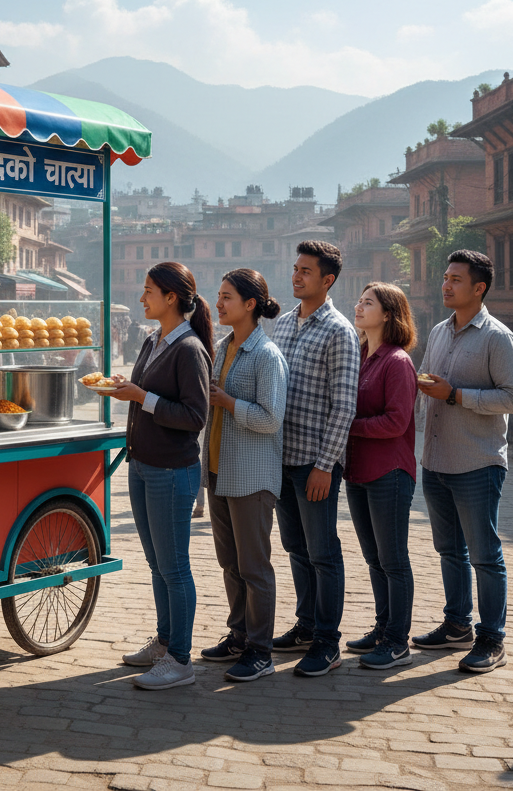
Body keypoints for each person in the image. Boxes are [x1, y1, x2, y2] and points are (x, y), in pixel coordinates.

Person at [412, 249, 513, 673]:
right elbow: (429, 378)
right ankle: (456, 624)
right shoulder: (440, 331)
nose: (445, 284)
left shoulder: (498, 337)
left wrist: (456, 395)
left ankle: (491, 638)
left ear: (479, 288)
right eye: (445, 277)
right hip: (436, 459)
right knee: (448, 550)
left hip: (477, 462)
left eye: (456, 280)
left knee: (484, 554)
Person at [111, 261, 212, 690]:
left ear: (172, 297)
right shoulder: (154, 340)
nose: (142, 298)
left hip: (172, 471)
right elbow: (147, 395)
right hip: (144, 465)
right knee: (156, 564)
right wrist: (128, 389)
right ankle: (165, 641)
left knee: (174, 568)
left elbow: (195, 415)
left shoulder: (189, 349)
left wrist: (142, 397)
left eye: (149, 290)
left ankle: (181, 660)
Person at [271, 240, 359, 677]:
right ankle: (305, 626)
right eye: (295, 268)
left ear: (328, 280)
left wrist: (326, 465)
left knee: (323, 552)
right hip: (282, 458)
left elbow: (344, 406)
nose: (296, 276)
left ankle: (328, 641)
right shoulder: (285, 325)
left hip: (315, 463)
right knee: (295, 548)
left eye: (306, 271)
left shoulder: (339, 331)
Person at [199, 269, 288, 682]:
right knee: (230, 563)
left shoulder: (266, 355)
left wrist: (229, 403)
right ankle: (238, 635)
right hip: (219, 470)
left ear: (250, 304)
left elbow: (271, 421)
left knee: (254, 567)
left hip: (252, 477)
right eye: (219, 296)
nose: (219, 303)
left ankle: (260, 650)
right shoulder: (223, 347)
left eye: (227, 297)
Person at [344, 282, 419, 669]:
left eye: (367, 302)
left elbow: (397, 421)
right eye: (359, 300)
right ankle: (382, 627)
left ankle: (397, 640)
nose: (358, 306)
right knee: (374, 558)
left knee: (393, 559)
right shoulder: (359, 355)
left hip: (389, 471)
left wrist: (348, 424)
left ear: (388, 314)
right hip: (357, 471)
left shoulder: (397, 361)